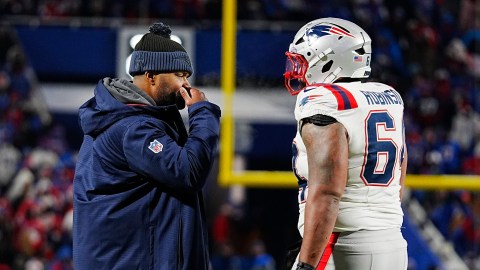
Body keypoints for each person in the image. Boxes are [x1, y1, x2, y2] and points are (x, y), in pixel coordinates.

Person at [72, 22, 221, 270]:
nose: (186, 85)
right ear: (151, 76)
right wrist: (202, 113)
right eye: (179, 75)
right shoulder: (133, 128)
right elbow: (188, 172)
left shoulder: (134, 120)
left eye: (187, 77)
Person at [283, 18, 408, 270]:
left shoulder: (324, 100)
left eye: (303, 60)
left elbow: (327, 191)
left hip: (342, 244)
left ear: (326, 59)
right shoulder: (387, 96)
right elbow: (400, 171)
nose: (296, 69)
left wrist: (307, 261)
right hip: (392, 240)